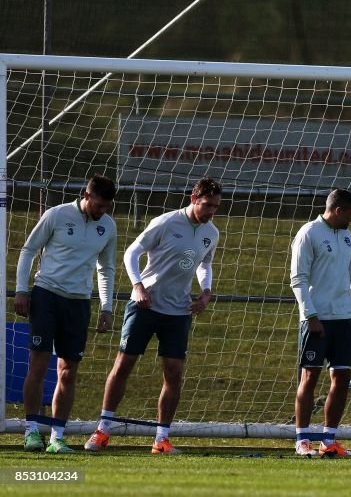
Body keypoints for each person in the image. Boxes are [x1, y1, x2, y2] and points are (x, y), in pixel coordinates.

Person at [84, 177, 221, 454]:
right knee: (124, 365)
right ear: (194, 199)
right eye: (207, 205)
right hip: (144, 306)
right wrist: (138, 286)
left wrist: (205, 291)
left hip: (178, 311)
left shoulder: (212, 233)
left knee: (174, 373)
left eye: (215, 207)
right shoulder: (165, 222)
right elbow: (131, 254)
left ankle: (161, 439)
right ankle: (102, 430)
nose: (210, 212)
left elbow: (204, 263)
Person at [16, 175, 118, 453]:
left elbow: (106, 269)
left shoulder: (108, 226)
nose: (102, 211)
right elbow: (28, 250)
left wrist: (107, 306)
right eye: (98, 205)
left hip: (78, 304)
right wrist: (21, 290)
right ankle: (31, 431)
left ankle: (56, 437)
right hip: (46, 296)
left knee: (69, 371)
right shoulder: (57, 215)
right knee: (38, 364)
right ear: (86, 195)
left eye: (106, 206)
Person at [289, 189, 351, 457]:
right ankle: (302, 440)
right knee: (310, 376)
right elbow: (298, 279)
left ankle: (328, 440)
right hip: (317, 319)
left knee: (342, 377)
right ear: (338, 211)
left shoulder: (346, 236)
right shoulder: (308, 233)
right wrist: (310, 315)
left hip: (343, 319)